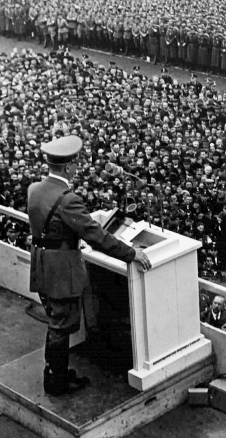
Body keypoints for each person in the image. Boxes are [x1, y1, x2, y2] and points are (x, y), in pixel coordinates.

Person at [28, 134, 151, 396]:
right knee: (61, 323)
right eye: (75, 164)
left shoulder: (34, 189)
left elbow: (51, 228)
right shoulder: (68, 199)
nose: (77, 167)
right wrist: (131, 253)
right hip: (61, 269)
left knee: (56, 317)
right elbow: (96, 236)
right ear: (68, 167)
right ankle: (56, 380)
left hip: (42, 262)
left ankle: (56, 372)